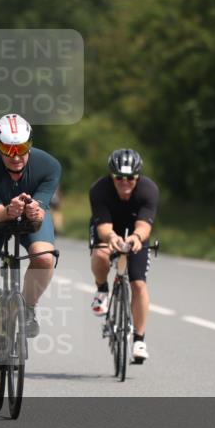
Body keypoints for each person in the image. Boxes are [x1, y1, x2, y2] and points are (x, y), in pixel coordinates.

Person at [0, 114, 61, 397]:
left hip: (29, 218)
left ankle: (28, 307)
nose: (16, 156)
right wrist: (8, 211)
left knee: (44, 257)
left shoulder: (49, 166)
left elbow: (41, 211)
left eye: (22, 148)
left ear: (31, 144)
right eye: (8, 149)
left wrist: (34, 210)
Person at [88, 149, 159, 364]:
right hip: (107, 228)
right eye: (119, 177)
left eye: (130, 178)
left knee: (138, 284)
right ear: (112, 176)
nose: (125, 182)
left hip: (136, 232)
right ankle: (102, 290)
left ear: (138, 178)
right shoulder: (100, 189)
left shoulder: (148, 190)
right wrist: (111, 237)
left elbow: (145, 224)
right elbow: (104, 227)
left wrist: (137, 238)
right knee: (101, 254)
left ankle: (139, 340)